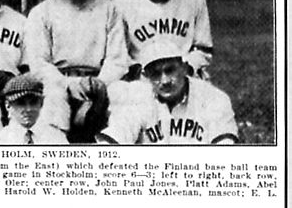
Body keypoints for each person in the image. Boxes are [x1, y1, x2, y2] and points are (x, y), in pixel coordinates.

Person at [24, 0, 128, 142]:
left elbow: (117, 59)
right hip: (59, 83)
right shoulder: (41, 13)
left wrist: (99, 86)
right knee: (54, 99)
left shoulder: (108, 9)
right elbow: (39, 63)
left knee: (124, 97)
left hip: (99, 83)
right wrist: (72, 85)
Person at [97, 40, 239, 144]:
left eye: (170, 70)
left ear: (184, 68)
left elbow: (225, 147)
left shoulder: (212, 98)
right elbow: (113, 139)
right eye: (156, 74)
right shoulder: (136, 98)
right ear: (146, 76)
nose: (164, 81)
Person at [0, 74, 68, 144]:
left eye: (33, 102)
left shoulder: (56, 138)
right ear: (8, 106)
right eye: (20, 103)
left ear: (41, 103)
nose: (28, 109)